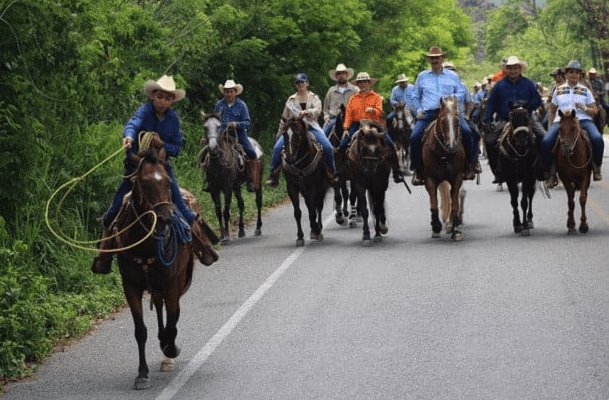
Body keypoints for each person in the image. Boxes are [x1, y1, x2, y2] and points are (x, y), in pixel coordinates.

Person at [92, 75, 207, 273]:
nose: (163, 101)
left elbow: (177, 147)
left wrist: (162, 143)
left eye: (168, 98)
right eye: (160, 96)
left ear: (172, 100)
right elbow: (133, 124)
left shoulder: (173, 119)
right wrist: (128, 137)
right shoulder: (144, 111)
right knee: (115, 209)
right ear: (153, 96)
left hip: (162, 168)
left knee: (180, 205)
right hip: (135, 169)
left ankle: (200, 246)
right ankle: (104, 255)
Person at [409, 46, 481, 186]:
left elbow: (461, 92)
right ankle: (417, 169)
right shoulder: (422, 76)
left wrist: (451, 97)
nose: (435, 60)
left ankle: (470, 165)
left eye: (437, 57)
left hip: (450, 111)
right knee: (415, 136)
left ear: (442, 59)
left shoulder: (452, 76)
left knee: (467, 131)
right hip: (429, 112)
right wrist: (418, 109)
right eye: (432, 58)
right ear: (429, 60)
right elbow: (415, 96)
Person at [266, 73, 336, 186]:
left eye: (302, 82)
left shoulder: (314, 97)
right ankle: (273, 175)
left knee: (327, 146)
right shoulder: (291, 100)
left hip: (311, 127)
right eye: (298, 83)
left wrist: (307, 112)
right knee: (277, 148)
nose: (300, 84)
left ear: (307, 83)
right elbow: (284, 118)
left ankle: (332, 174)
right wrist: (280, 134)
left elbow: (318, 110)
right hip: (294, 130)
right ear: (296, 85)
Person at [541, 60, 604, 185]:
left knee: (597, 139)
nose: (573, 75)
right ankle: (551, 172)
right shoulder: (558, 90)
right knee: (546, 141)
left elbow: (595, 111)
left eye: (576, 72)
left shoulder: (585, 90)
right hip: (562, 121)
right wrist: (552, 125)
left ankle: (596, 165)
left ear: (580, 75)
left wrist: (585, 108)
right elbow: (552, 110)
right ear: (566, 74)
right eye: (571, 72)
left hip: (583, 120)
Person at [484, 56, 545, 183]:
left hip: (526, 117)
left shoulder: (528, 83)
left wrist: (527, 106)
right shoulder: (499, 85)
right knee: (490, 141)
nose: (513, 71)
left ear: (520, 69)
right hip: (506, 118)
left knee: (544, 137)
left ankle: (542, 168)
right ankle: (498, 172)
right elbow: (491, 103)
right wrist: (488, 119)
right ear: (506, 70)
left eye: (515, 68)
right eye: (510, 68)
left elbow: (537, 100)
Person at [338, 71, 404, 183]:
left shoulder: (376, 97)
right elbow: (348, 115)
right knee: (343, 145)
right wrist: (345, 128)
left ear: (369, 83)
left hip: (374, 123)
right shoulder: (353, 98)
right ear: (357, 84)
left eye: (365, 82)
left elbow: (380, 111)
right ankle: (340, 172)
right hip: (357, 123)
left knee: (389, 143)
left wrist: (373, 110)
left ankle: (396, 171)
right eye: (360, 82)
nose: (362, 84)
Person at [208, 79, 258, 192]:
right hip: (221, 133)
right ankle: (209, 179)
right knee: (208, 151)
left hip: (238, 134)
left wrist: (236, 124)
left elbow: (247, 122)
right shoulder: (219, 104)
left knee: (251, 152)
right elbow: (214, 121)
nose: (228, 94)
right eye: (226, 91)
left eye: (231, 91)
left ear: (235, 92)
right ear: (224, 92)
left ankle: (250, 180)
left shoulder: (242, 105)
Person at [322, 63, 359, 137]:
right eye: (339, 73)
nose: (341, 75)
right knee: (323, 135)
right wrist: (326, 117)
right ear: (336, 76)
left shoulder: (355, 90)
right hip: (334, 119)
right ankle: (323, 147)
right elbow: (325, 109)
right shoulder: (331, 91)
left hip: (351, 119)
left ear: (347, 75)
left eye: (343, 73)